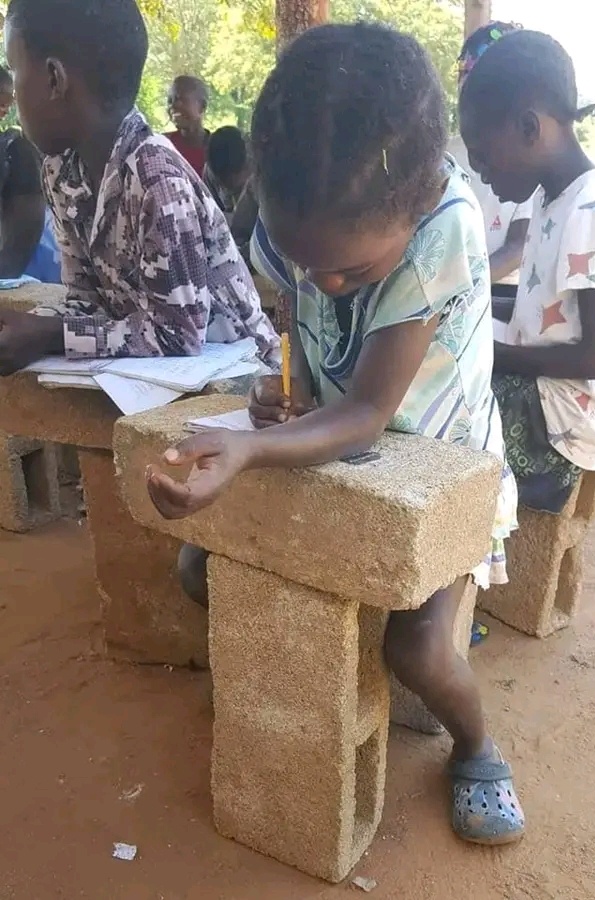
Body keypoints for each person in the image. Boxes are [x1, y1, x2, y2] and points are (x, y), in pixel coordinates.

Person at [147, 23, 525, 846]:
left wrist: (248, 448)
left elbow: (367, 413)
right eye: (301, 260)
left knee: (416, 649)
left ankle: (476, 746)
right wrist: (282, 395)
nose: (324, 281)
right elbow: (309, 351)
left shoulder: (440, 232)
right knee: (198, 570)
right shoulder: (304, 215)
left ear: (416, 205)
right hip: (342, 452)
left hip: (437, 471)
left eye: (351, 272)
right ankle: (324, 685)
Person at [0, 0, 278, 376]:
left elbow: (180, 335)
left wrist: (52, 334)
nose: (13, 95)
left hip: (245, 380)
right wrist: (26, 328)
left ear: (54, 80)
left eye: (14, 70)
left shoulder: (158, 180)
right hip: (152, 377)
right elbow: (86, 302)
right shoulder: (61, 171)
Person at [460, 29, 595, 514]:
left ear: (529, 128)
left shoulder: (591, 210)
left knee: (449, 419)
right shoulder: (551, 197)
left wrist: (495, 356)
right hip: (546, 395)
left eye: (482, 154)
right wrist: (470, 303)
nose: (481, 171)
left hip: (564, 423)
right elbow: (540, 306)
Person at [448, 22, 531, 288]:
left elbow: (518, 244)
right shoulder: (440, 153)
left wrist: (464, 287)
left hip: (499, 292)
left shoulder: (526, 156)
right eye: (464, 75)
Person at [0, 66, 61, 283]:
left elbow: (24, 236)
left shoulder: (17, 151)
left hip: (22, 275)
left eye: (6, 103)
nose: (6, 109)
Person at [204, 126, 259, 261]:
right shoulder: (210, 173)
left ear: (249, 163)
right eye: (223, 186)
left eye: (237, 189)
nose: (229, 193)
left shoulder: (264, 171)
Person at [164, 75, 210, 178]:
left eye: (181, 99)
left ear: (202, 106)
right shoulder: (163, 146)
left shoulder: (217, 149)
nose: (173, 106)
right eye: (170, 101)